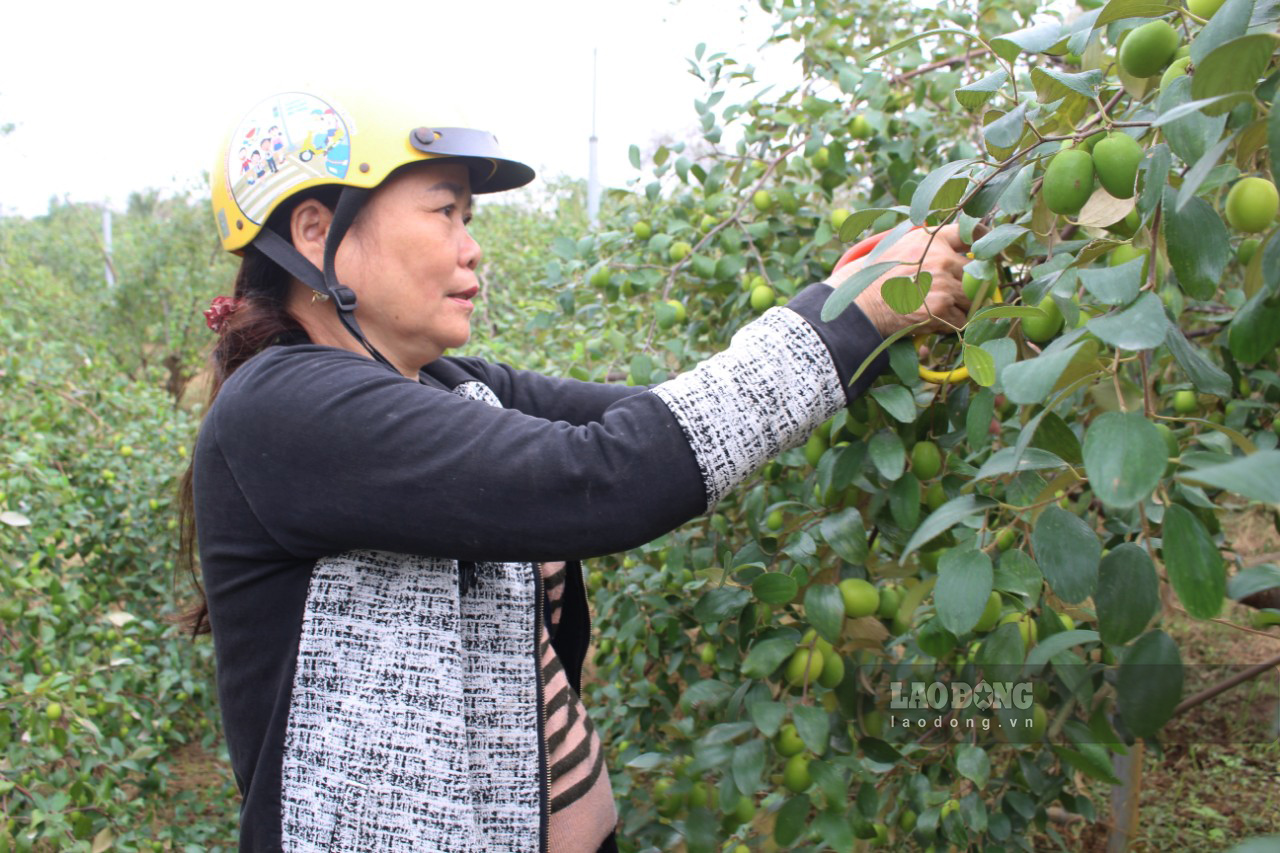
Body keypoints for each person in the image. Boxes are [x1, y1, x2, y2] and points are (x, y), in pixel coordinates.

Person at [182, 90, 970, 853]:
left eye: (469, 216)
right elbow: (605, 477)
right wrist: (848, 315)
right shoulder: (287, 410)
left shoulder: (454, 388)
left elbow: (661, 420)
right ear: (319, 232)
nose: (471, 244)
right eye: (443, 210)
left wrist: (853, 315)